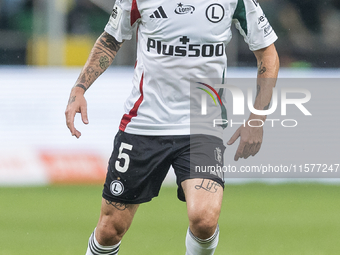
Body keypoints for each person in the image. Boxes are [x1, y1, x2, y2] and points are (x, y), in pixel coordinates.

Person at [65, 0, 279, 254]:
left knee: (205, 219)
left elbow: (267, 52)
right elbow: (111, 39)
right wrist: (79, 88)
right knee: (110, 229)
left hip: (202, 126)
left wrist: (257, 118)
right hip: (143, 124)